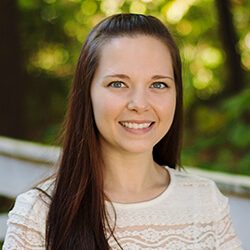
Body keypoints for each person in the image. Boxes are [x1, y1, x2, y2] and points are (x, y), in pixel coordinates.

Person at [3, 13, 242, 250]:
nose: (139, 103)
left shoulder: (204, 202)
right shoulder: (38, 214)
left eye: (158, 84)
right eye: (118, 84)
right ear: (87, 93)